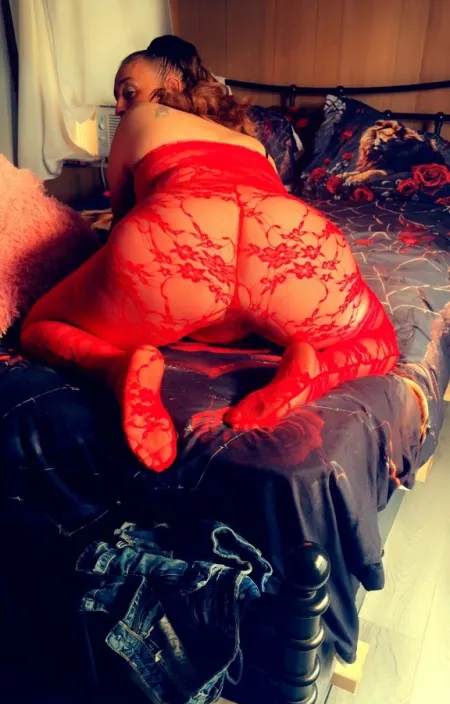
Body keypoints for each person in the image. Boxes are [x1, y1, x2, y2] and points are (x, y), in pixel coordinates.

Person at [20, 47, 399, 473]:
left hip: (183, 235)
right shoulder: (253, 144)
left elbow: (125, 218)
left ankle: (117, 367)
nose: (121, 106)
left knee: (39, 326)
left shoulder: (140, 120)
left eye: (128, 91)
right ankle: (317, 372)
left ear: (170, 86)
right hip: (287, 236)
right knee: (381, 339)